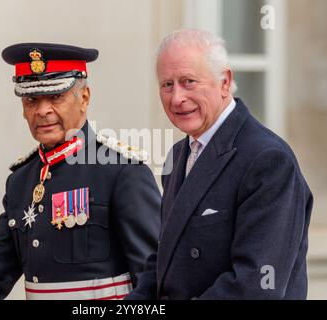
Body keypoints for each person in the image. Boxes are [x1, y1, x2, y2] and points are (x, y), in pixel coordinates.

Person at [0, 43, 161, 300]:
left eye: (55, 97)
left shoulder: (122, 171)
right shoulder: (20, 180)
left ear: (84, 98)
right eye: (31, 100)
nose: (42, 111)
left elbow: (155, 279)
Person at [126, 29, 313, 300]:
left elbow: (256, 286)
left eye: (188, 81)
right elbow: (164, 258)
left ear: (224, 82)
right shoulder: (179, 154)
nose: (176, 98)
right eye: (167, 84)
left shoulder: (269, 160)